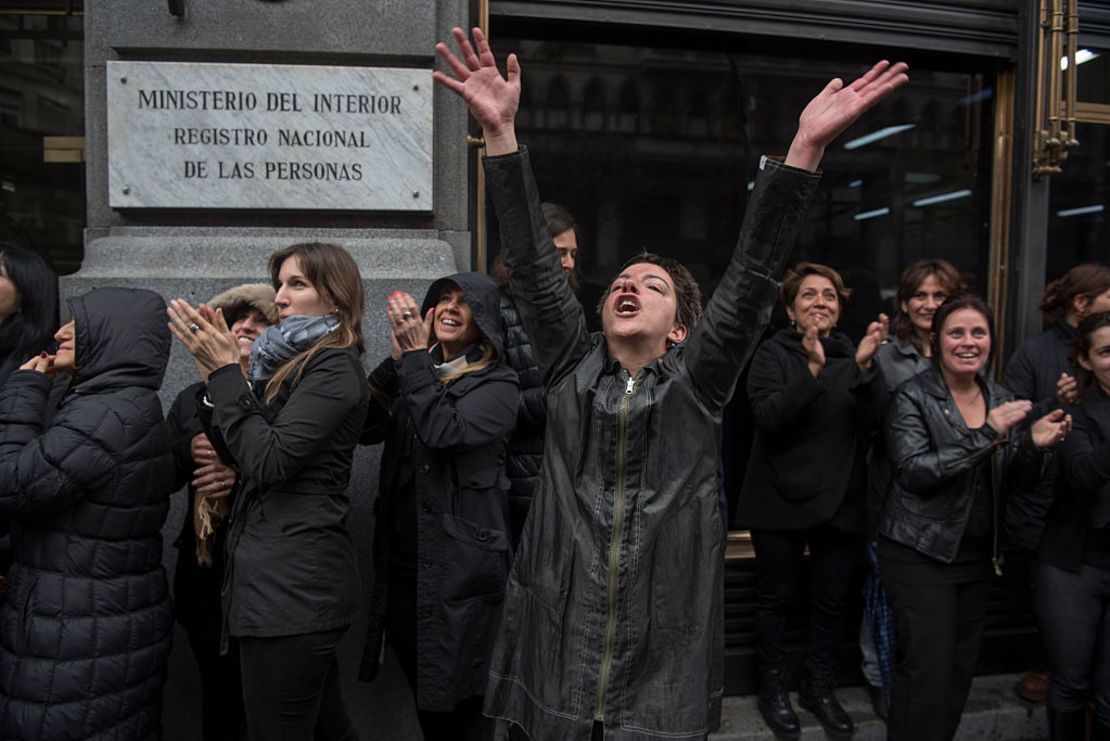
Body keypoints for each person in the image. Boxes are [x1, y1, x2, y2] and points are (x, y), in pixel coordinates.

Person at [433, 25, 908, 741]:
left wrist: (802, 150)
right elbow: (532, 261)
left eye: (651, 285)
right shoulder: (569, 369)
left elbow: (750, 278)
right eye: (620, 281)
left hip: (660, 669)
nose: (629, 285)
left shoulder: (697, 386)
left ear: (680, 327)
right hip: (558, 650)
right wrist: (499, 130)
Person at [168, 242, 368, 740]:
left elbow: (270, 459)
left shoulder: (332, 367)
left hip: (293, 592)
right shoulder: (285, 364)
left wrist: (225, 374)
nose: (280, 296)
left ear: (336, 298)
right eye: (279, 283)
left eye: (296, 284)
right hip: (276, 585)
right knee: (327, 728)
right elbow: (238, 449)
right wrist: (215, 383)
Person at [878, 295, 1072, 741]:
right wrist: (988, 434)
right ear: (936, 340)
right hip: (919, 553)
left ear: (991, 341)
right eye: (957, 333)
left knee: (958, 676)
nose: (968, 342)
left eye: (978, 333)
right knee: (926, 675)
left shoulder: (1001, 397)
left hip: (977, 558)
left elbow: (1014, 485)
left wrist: (1032, 449)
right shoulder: (912, 395)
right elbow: (915, 472)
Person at [0, 287, 175, 740]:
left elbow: (12, 485)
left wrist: (22, 394)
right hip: (90, 617)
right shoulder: (117, 404)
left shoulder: (105, 414)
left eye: (75, 324)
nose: (58, 332)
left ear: (109, 334)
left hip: (77, 627)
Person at [358, 272, 520, 740]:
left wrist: (413, 360)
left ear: (485, 321)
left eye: (463, 302)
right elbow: (365, 427)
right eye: (442, 299)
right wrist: (395, 363)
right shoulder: (416, 372)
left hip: (463, 578)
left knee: (465, 711)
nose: (449, 307)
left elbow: (444, 433)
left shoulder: (499, 385)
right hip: (407, 574)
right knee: (429, 709)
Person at [737, 262, 887, 739]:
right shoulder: (770, 354)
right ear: (789, 308)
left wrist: (863, 370)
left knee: (830, 602)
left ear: (840, 309)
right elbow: (771, 418)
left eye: (830, 296)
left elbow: (876, 424)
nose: (820, 302)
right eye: (808, 295)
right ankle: (773, 689)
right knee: (774, 599)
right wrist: (813, 369)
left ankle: (818, 689)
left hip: (842, 498)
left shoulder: (857, 355)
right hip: (780, 496)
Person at [164, 283, 277, 741]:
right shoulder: (192, 397)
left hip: (265, 572)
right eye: (237, 320)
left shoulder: (284, 395)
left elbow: (301, 471)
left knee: (268, 703)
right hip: (205, 571)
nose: (246, 327)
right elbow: (161, 477)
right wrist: (184, 450)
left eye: (260, 321)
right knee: (219, 696)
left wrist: (240, 479)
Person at [858, 259, 965, 717]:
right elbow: (870, 424)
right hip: (895, 494)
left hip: (952, 499)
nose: (929, 304)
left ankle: (919, 678)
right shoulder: (886, 353)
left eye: (939, 295)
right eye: (920, 295)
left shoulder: (964, 348)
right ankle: (877, 675)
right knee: (883, 592)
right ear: (904, 302)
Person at [1003, 263, 1110, 703]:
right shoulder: (1036, 356)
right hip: (1051, 523)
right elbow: (1013, 429)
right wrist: (1053, 404)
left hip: (1092, 529)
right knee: (1065, 663)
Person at [1034, 310, 1110, 740]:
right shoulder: (1072, 413)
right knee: (1070, 685)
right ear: (1084, 360)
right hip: (1073, 567)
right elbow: (1082, 475)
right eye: (1106, 351)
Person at [491, 203, 581, 546]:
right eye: (560, 252)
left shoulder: (569, 313)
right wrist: (562, 397)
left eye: (573, 253)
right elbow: (494, 403)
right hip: (517, 480)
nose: (569, 263)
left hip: (561, 477)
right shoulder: (500, 309)